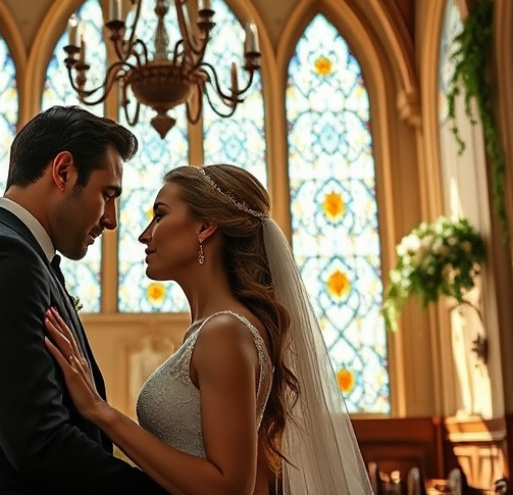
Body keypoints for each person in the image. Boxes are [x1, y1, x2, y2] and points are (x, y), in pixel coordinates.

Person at [45, 164, 372, 494]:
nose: (145, 234)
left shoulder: (225, 331)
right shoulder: (213, 330)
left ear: (205, 226)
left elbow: (229, 487)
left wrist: (102, 412)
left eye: (160, 215)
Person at [0, 106, 168, 495]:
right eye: (108, 195)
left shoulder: (16, 254)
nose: (112, 220)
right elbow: (40, 443)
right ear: (64, 172)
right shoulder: (1, 259)